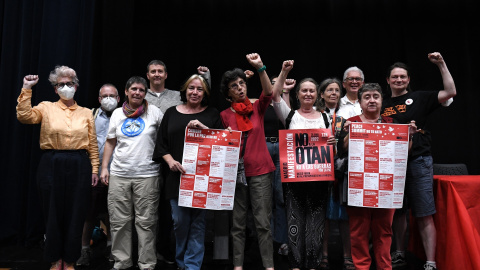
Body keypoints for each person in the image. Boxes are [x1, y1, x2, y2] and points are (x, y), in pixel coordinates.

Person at [16, 66, 99, 270]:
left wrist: (95, 169)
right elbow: (25, 117)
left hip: (79, 163)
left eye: (69, 83)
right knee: (52, 213)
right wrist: (27, 88)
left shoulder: (87, 113)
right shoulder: (46, 107)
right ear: (55, 89)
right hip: (51, 162)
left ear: (76, 86)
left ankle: (70, 260)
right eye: (61, 84)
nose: (65, 87)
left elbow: (92, 145)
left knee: (76, 213)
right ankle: (55, 259)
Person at [382, 52, 456, 270]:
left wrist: (441, 64)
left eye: (402, 76)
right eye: (394, 77)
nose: (398, 80)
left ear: (408, 79)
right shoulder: (381, 102)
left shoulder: (421, 98)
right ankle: (399, 254)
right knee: (397, 212)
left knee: (423, 213)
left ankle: (430, 262)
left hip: (418, 160)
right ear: (388, 80)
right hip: (391, 163)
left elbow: (451, 91)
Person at [153, 70, 222, 270]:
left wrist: (205, 129)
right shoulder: (172, 113)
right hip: (177, 176)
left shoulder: (212, 114)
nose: (195, 92)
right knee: (180, 222)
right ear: (185, 90)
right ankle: (182, 260)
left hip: (202, 178)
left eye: (200, 89)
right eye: (191, 88)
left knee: (199, 223)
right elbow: (161, 144)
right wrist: (170, 161)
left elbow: (223, 143)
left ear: (205, 92)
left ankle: (192, 265)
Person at [343, 83, 417, 270]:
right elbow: (342, 150)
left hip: (385, 185)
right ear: (360, 102)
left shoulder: (391, 123)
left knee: (384, 231)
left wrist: (408, 137)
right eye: (366, 97)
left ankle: (385, 267)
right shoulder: (351, 122)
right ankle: (361, 267)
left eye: (376, 96)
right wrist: (347, 134)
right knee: (358, 231)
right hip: (358, 186)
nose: (372, 100)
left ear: (382, 101)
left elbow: (404, 152)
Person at [272, 60, 336, 270]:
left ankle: (313, 263)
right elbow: (274, 95)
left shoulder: (327, 118)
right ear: (298, 94)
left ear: (317, 95)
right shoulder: (289, 115)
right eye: (304, 91)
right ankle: (296, 263)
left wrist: (332, 144)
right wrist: (284, 72)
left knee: (316, 223)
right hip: (295, 180)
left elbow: (332, 150)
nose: (308, 94)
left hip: (319, 180)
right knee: (294, 221)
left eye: (312, 91)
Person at [100, 76, 164, 270]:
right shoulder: (118, 114)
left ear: (145, 93)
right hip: (119, 174)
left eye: (141, 90)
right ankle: (122, 261)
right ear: (126, 92)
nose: (137, 92)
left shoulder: (154, 112)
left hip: (148, 175)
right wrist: (104, 167)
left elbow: (164, 138)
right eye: (134, 89)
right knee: (119, 221)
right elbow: (111, 141)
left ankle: (146, 263)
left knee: (146, 222)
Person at [220, 53, 276, 270]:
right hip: (235, 174)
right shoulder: (224, 115)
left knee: (263, 223)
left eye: (242, 83)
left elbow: (269, 92)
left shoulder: (257, 108)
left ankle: (269, 266)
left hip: (260, 171)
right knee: (237, 225)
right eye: (234, 86)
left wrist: (261, 68)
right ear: (228, 93)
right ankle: (237, 266)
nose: (240, 88)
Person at [76, 84, 120, 266]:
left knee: (114, 214)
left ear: (119, 99)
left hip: (117, 172)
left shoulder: (124, 116)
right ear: (99, 99)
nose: (108, 99)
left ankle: (112, 249)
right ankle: (84, 250)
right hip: (93, 172)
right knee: (89, 213)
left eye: (112, 96)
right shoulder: (90, 115)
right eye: (105, 96)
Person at [316, 78, 353, 270]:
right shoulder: (315, 114)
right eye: (329, 90)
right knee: (324, 216)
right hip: (319, 169)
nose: (333, 93)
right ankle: (324, 255)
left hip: (342, 170)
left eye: (337, 90)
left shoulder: (348, 114)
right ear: (321, 94)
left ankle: (348, 255)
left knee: (345, 216)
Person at [266, 76, 296, 256]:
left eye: (282, 81)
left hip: (284, 149)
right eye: (276, 81)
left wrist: (286, 92)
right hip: (264, 147)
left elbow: (289, 121)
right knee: (264, 198)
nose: (280, 83)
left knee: (281, 196)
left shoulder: (287, 102)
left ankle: (282, 240)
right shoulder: (261, 102)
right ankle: (267, 240)